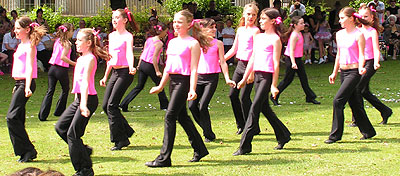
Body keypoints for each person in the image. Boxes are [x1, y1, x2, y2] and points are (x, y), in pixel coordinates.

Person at [145, 9, 210, 168]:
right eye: (174, 21)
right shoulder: (172, 42)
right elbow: (168, 67)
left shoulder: (193, 43)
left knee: (170, 116)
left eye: (179, 22)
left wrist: (193, 89)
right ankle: (200, 149)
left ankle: (164, 158)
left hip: (184, 81)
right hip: (173, 81)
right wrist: (161, 86)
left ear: (189, 24)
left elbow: (194, 68)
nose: (176, 24)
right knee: (182, 117)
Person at [233, 8, 291, 156]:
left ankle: (245, 146)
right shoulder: (258, 37)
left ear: (273, 21)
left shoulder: (275, 40)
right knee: (265, 108)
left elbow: (276, 63)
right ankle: (283, 134)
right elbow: (252, 58)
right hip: (257, 75)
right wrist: (244, 79)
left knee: (254, 110)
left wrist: (273, 85)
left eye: (263, 19)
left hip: (267, 77)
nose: (260, 21)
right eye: (261, 19)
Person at [55, 28, 109, 176]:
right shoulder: (80, 59)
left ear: (88, 43)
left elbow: (85, 82)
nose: (76, 42)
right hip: (80, 99)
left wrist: (83, 105)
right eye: (76, 39)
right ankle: (84, 151)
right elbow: (78, 84)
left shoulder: (90, 59)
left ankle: (84, 169)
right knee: (60, 128)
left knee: (73, 134)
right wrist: (77, 101)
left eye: (79, 40)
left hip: (88, 99)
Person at [325, 7, 376, 144]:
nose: (339, 21)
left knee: (338, 101)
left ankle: (335, 135)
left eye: (342, 18)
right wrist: (334, 72)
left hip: (354, 72)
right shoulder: (339, 34)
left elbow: (361, 54)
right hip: (344, 71)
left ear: (351, 18)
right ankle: (368, 131)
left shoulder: (359, 34)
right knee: (354, 102)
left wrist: (361, 67)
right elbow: (339, 55)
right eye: (339, 18)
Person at [188, 18, 236, 142]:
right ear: (203, 29)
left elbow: (223, 62)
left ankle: (208, 134)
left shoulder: (218, 43)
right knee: (192, 106)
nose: (214, 29)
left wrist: (227, 78)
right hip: (198, 77)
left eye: (215, 27)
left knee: (203, 105)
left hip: (211, 78)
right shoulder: (196, 43)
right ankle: (207, 130)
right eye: (211, 27)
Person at [6, 17, 46, 163]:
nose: (15, 31)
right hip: (19, 83)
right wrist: (16, 85)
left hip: (25, 83)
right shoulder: (20, 45)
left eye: (18, 28)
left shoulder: (30, 46)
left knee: (11, 117)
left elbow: (30, 67)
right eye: (15, 28)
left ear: (27, 29)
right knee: (18, 118)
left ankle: (28, 149)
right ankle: (26, 152)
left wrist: (27, 86)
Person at [100, 8, 137, 151]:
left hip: (125, 72)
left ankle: (120, 140)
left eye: (117, 17)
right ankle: (127, 131)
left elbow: (129, 53)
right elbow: (110, 58)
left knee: (112, 106)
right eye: (113, 18)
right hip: (115, 71)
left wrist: (132, 67)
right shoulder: (112, 35)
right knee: (105, 105)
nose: (114, 20)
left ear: (125, 20)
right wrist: (105, 76)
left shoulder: (128, 36)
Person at [349, 4, 392, 125]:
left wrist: (377, 62)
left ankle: (357, 119)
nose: (364, 18)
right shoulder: (357, 30)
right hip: (360, 62)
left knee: (356, 88)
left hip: (371, 62)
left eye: (366, 16)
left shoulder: (372, 32)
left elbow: (376, 49)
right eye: (362, 16)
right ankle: (385, 111)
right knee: (363, 91)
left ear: (372, 18)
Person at [224, 2, 260, 135]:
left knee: (244, 97)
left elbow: (256, 52)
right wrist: (221, 59)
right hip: (240, 65)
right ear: (244, 14)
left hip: (250, 66)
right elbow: (234, 49)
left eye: (254, 15)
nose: (251, 17)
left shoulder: (256, 31)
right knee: (233, 95)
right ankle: (241, 124)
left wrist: (252, 72)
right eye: (249, 14)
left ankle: (252, 126)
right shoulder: (240, 30)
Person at [271, 16, 320, 106]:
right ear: (295, 25)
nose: (303, 25)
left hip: (297, 59)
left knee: (303, 78)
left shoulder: (299, 34)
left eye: (303, 23)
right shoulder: (294, 35)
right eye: (301, 23)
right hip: (291, 59)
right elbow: (291, 50)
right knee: (287, 80)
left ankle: (310, 97)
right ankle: (274, 96)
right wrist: (293, 63)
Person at [120, 23, 169, 112]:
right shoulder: (159, 43)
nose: (166, 34)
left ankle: (124, 103)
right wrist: (157, 71)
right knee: (159, 84)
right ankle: (165, 105)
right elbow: (154, 58)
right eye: (165, 32)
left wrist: (139, 64)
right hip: (150, 65)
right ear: (161, 32)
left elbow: (143, 52)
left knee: (139, 86)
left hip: (143, 63)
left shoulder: (149, 40)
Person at [38, 23, 75, 121]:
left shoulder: (58, 41)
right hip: (61, 69)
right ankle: (59, 111)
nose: (73, 33)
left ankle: (42, 114)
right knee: (65, 89)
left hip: (52, 68)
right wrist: (74, 63)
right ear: (68, 32)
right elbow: (63, 57)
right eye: (72, 31)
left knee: (50, 91)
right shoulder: (67, 43)